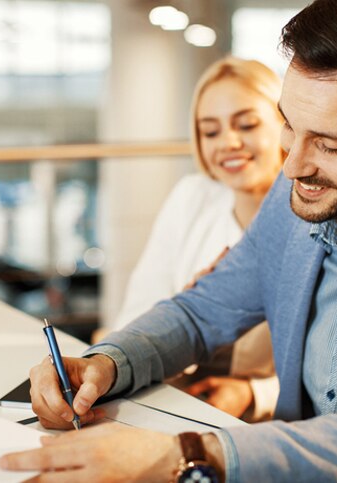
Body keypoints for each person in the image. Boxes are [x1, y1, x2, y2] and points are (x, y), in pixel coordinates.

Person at [0, 0, 337, 481]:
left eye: (329, 145)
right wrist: (109, 362)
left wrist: (187, 456)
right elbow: (201, 312)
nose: (291, 165)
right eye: (289, 125)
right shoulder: (298, 203)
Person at [107, 56, 284, 420]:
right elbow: (135, 316)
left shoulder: (316, 214)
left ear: (286, 124)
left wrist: (254, 394)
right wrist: (188, 305)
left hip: (271, 421)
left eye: (247, 124)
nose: (229, 143)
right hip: (173, 399)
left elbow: (334, 367)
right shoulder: (193, 197)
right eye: (210, 131)